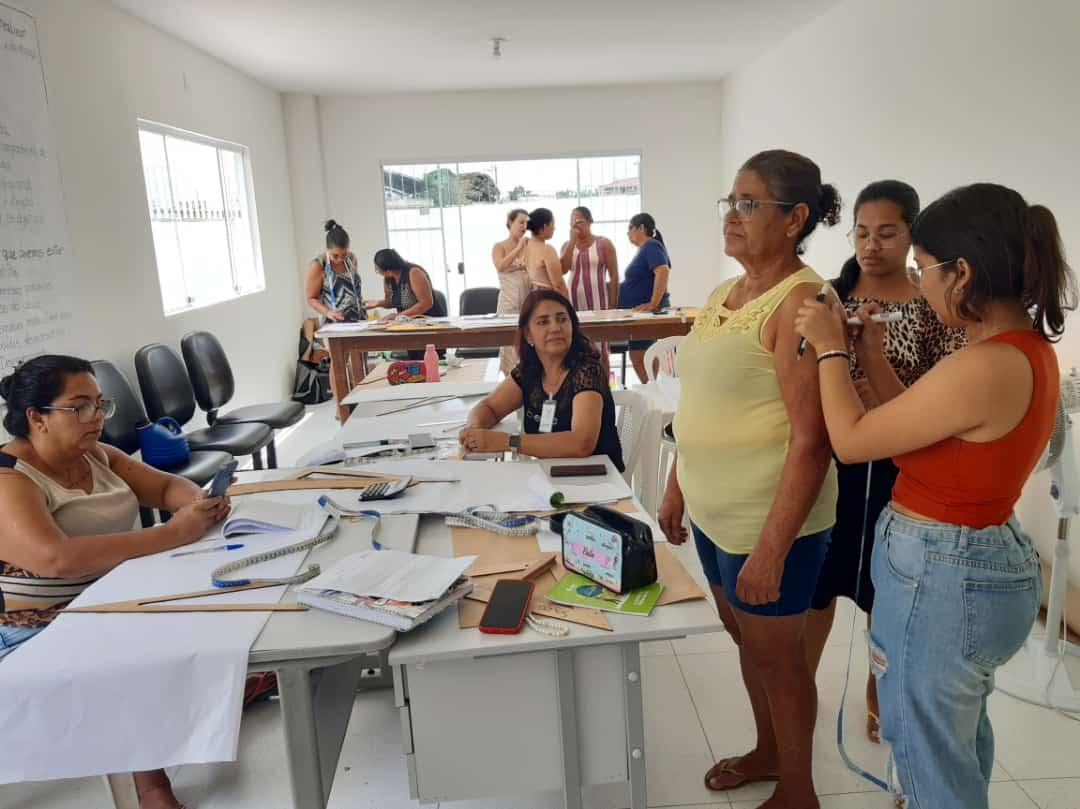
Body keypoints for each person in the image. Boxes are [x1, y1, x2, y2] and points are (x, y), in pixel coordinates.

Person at [794, 183, 1073, 809]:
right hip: (963, 563)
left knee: (926, 749)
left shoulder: (985, 365)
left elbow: (855, 440)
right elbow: (911, 433)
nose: (919, 283)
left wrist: (832, 346)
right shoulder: (1011, 351)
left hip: (946, 573)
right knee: (951, 738)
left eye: (924, 270)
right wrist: (867, 350)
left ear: (963, 272)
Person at [658, 149, 841, 809]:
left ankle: (799, 789)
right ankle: (768, 750)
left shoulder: (802, 302)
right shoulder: (724, 292)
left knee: (781, 658)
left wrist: (771, 548)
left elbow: (813, 438)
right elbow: (699, 401)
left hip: (769, 523)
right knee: (748, 641)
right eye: (728, 202)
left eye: (747, 204)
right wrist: (679, 483)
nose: (731, 218)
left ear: (794, 218)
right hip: (714, 516)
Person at [0, 355, 231, 809]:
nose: (96, 418)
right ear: (36, 418)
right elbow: (56, 559)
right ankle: (152, 788)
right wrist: (169, 533)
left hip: (112, 594)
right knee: (125, 654)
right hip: (33, 621)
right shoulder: (11, 478)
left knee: (209, 611)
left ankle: (210, 704)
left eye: (100, 405)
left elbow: (165, 489)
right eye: (79, 406)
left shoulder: (96, 455)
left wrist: (198, 503)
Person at [802, 180, 966, 745]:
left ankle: (879, 691)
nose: (872, 245)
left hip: (901, 467)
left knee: (886, 591)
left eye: (888, 233)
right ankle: (800, 692)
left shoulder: (933, 306)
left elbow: (942, 395)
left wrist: (875, 377)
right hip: (828, 460)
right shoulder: (827, 296)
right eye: (862, 233)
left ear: (912, 235)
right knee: (818, 581)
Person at [459, 289, 624, 472]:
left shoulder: (588, 371)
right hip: (547, 477)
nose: (555, 328)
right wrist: (473, 430)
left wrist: (507, 441)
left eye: (562, 319)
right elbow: (490, 407)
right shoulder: (529, 372)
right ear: (528, 335)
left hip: (598, 481)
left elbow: (581, 443)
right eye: (543, 322)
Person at [560, 206, 619, 374]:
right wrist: (572, 242)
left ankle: (605, 392)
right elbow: (562, 269)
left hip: (599, 305)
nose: (575, 226)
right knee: (577, 350)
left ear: (589, 222)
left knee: (602, 351)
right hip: (574, 306)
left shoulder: (604, 243)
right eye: (572, 223)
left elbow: (614, 277)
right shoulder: (567, 245)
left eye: (579, 221)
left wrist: (613, 309)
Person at [620, 213, 672, 383]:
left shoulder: (651, 246)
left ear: (641, 228)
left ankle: (652, 391)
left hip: (647, 313)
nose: (628, 234)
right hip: (639, 313)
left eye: (630, 228)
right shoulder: (646, 249)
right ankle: (651, 389)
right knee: (640, 354)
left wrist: (653, 303)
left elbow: (662, 270)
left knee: (640, 354)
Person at [492, 208, 533, 375]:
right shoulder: (499, 246)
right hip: (508, 304)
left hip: (527, 303)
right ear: (510, 222)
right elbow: (500, 265)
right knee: (509, 350)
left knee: (527, 349)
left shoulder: (530, 246)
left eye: (527, 223)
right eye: (521, 222)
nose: (524, 226)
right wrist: (518, 248)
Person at [304, 219, 365, 323]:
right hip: (333, 323)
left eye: (344, 254)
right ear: (327, 248)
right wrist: (328, 312)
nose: (340, 259)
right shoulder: (318, 265)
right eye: (335, 255)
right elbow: (311, 298)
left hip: (358, 321)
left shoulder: (351, 258)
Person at [365, 248, 448, 321]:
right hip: (406, 322)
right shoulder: (388, 278)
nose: (377, 272)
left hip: (429, 321)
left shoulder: (413, 272)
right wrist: (377, 303)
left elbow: (426, 303)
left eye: (378, 269)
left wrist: (397, 316)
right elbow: (393, 302)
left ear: (388, 270)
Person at [522, 208, 570, 298]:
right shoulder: (547, 249)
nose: (554, 228)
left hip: (534, 297)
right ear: (544, 227)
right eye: (553, 224)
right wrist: (568, 307)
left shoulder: (526, 246)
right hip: (549, 298)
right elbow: (559, 285)